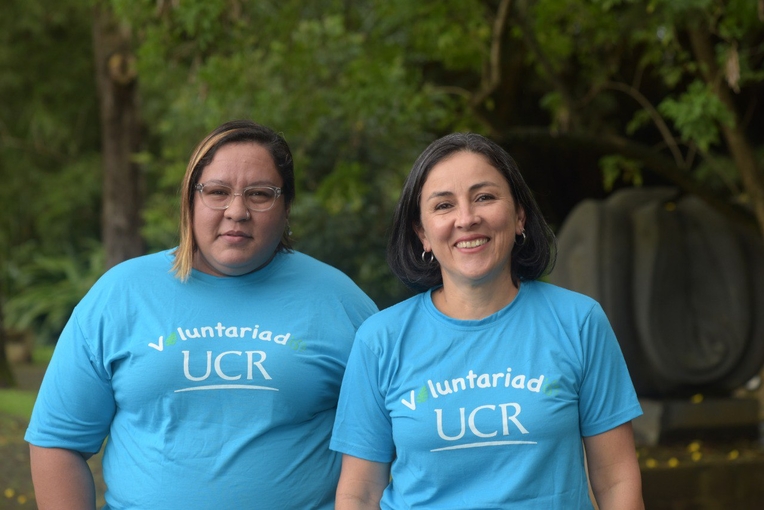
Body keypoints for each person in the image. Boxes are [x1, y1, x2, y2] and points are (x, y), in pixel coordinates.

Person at [25, 120, 378, 509]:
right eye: (217, 192)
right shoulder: (121, 294)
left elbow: (396, 441)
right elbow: (58, 443)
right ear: (190, 200)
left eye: (260, 194)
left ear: (286, 205)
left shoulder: (340, 301)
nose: (237, 211)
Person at [330, 132, 645, 509]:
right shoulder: (380, 340)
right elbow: (359, 493)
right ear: (422, 234)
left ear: (519, 216)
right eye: (444, 205)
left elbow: (616, 479)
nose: (467, 219)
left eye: (484, 197)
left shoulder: (578, 321)